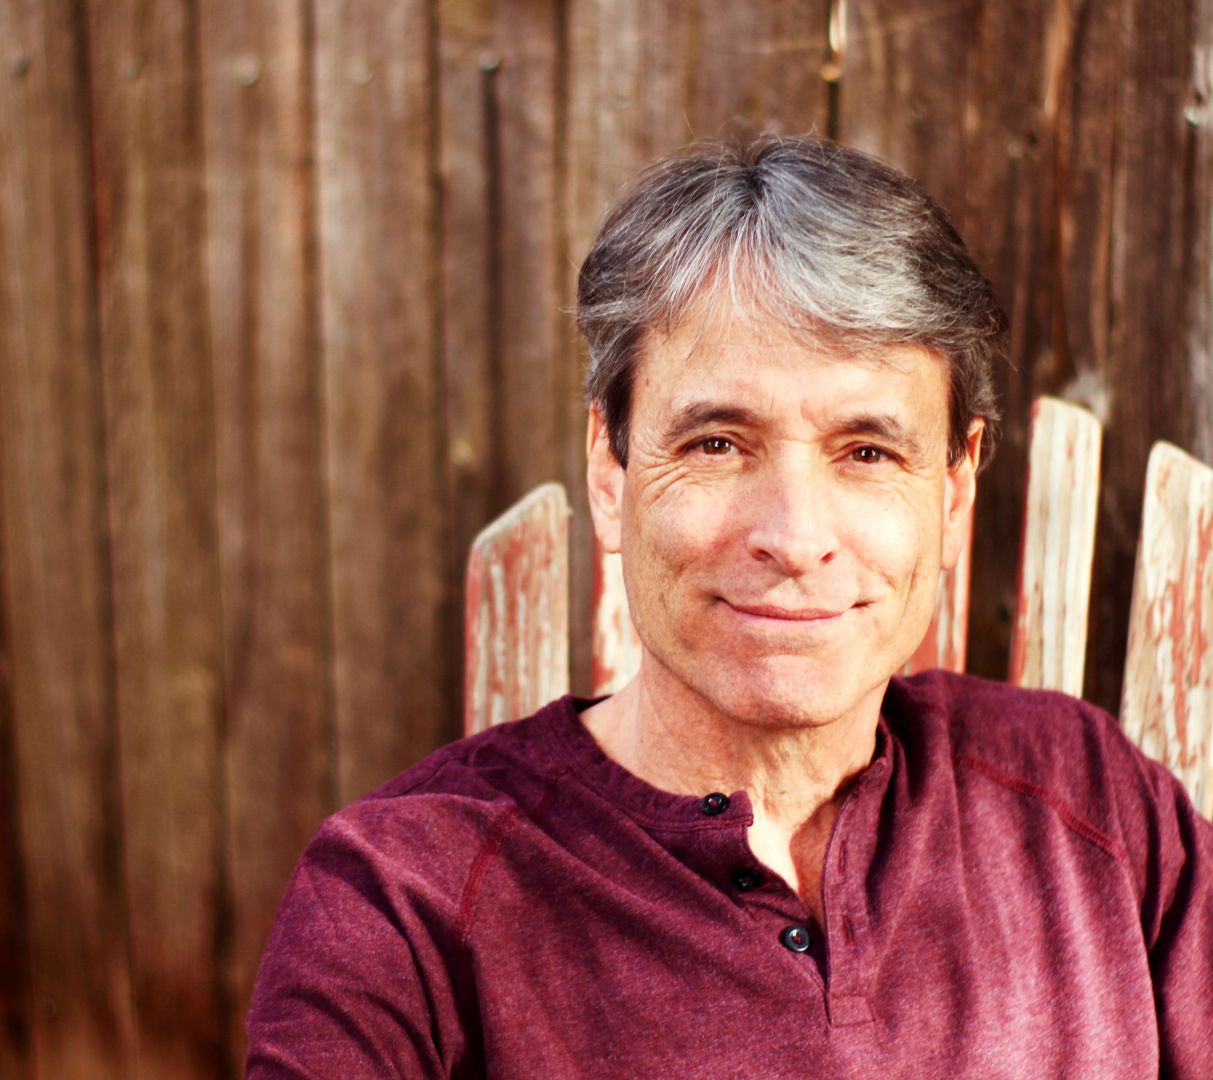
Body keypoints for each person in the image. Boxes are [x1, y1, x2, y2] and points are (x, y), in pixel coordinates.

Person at [246, 136, 1213, 1078]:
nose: (793, 537)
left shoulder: (1091, 804)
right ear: (610, 471)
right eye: (716, 443)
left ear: (953, 495)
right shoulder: (401, 903)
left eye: (866, 452)